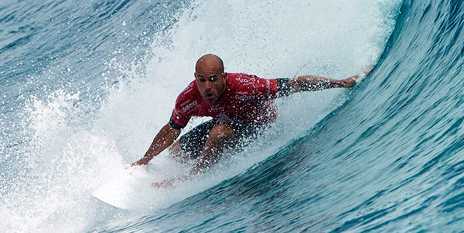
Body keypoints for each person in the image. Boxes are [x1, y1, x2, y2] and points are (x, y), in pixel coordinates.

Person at [132, 53, 367, 178]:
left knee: (219, 132)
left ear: (224, 77)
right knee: (176, 153)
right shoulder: (189, 98)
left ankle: (193, 176)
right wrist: (146, 159)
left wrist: (343, 83)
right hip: (226, 120)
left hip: (258, 126)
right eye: (202, 80)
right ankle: (155, 170)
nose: (207, 87)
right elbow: (172, 128)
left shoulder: (246, 86)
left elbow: (295, 84)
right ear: (195, 78)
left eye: (213, 79)